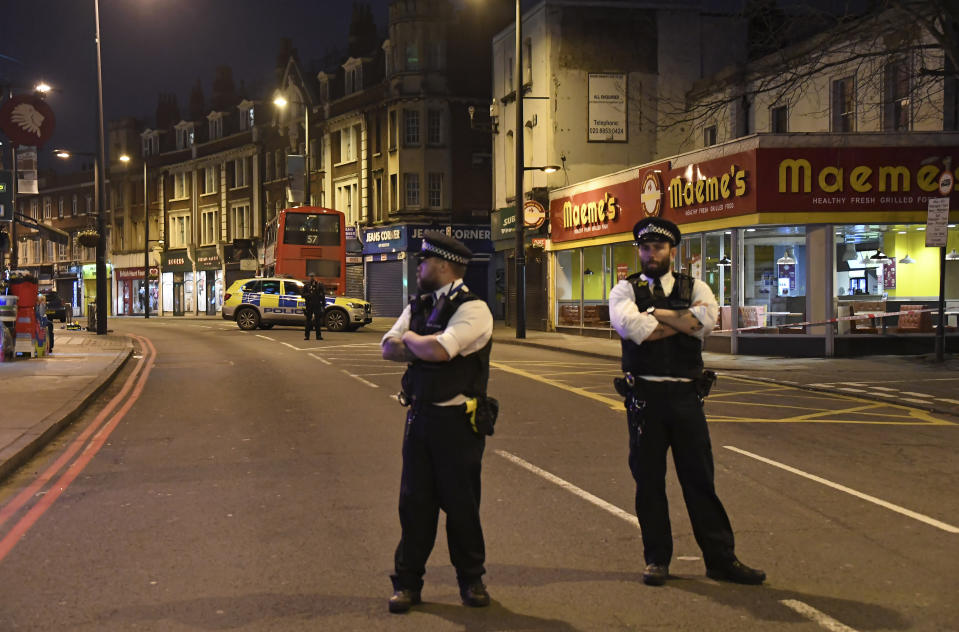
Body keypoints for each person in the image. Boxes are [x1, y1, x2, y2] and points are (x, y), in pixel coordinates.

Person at [608, 217, 766, 587]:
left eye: (658, 248)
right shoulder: (623, 291)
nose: (651, 254)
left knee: (700, 481)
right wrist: (681, 320)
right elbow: (635, 331)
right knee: (649, 484)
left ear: (672, 251)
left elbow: (705, 323)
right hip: (645, 399)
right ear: (640, 251)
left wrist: (656, 315)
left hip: (686, 397)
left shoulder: (696, 285)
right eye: (645, 248)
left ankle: (721, 560)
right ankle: (657, 561)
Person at [381, 231, 494, 614]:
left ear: (444, 267)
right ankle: (407, 584)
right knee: (414, 505)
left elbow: (442, 350)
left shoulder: (474, 309)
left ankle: (472, 581)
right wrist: (420, 344)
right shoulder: (420, 304)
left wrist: (411, 339)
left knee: (462, 507)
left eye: (424, 262)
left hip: (458, 424)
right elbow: (386, 348)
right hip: (421, 419)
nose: (419, 267)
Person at [302, 274, 326, 340]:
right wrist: (309, 295)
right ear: (309, 277)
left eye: (313, 277)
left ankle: (318, 336)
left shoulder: (320, 285)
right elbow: (302, 294)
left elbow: (323, 295)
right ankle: (307, 336)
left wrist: (323, 305)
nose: (312, 278)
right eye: (311, 277)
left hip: (317, 305)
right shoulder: (306, 285)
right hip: (309, 305)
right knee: (308, 321)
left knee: (317, 321)